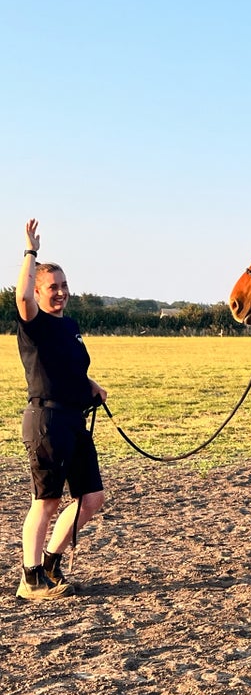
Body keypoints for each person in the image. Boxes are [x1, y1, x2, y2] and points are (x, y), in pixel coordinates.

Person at [15, 218, 108, 600]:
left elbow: (69, 368)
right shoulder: (33, 323)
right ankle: (31, 576)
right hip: (47, 421)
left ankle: (51, 562)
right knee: (48, 500)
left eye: (64, 286)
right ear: (38, 291)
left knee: (91, 499)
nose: (60, 293)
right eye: (52, 287)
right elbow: (21, 298)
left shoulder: (68, 326)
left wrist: (90, 385)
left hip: (74, 420)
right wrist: (30, 252)